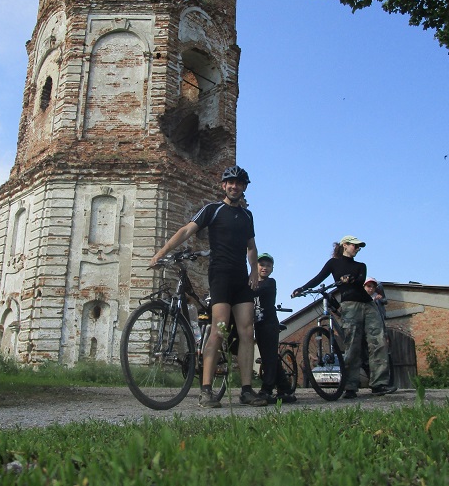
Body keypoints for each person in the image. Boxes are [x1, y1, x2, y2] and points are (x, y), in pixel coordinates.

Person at [150, 165, 267, 408]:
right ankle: (206, 390)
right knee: (219, 329)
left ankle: (246, 390)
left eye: (239, 183)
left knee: (247, 332)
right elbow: (186, 230)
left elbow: (251, 246)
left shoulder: (247, 216)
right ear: (224, 186)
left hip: (241, 278)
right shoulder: (213, 210)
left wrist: (254, 270)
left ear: (244, 187)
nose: (234, 186)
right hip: (220, 275)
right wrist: (161, 252)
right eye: (230, 182)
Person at [292, 235, 396, 399]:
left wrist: (351, 278)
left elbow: (360, 280)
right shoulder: (333, 263)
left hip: (368, 305)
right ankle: (350, 386)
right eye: (355, 246)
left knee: (378, 342)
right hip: (349, 306)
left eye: (359, 247)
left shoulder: (361, 265)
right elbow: (319, 277)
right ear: (345, 245)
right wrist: (302, 288)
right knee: (352, 345)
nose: (357, 249)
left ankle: (379, 384)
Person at [253, 252, 296, 404]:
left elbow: (255, 292)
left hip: (269, 324)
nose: (265, 268)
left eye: (268, 265)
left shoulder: (270, 282)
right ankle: (284, 389)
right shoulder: (251, 282)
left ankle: (267, 389)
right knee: (270, 357)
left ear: (272, 269)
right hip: (258, 324)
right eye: (261, 265)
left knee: (268, 358)